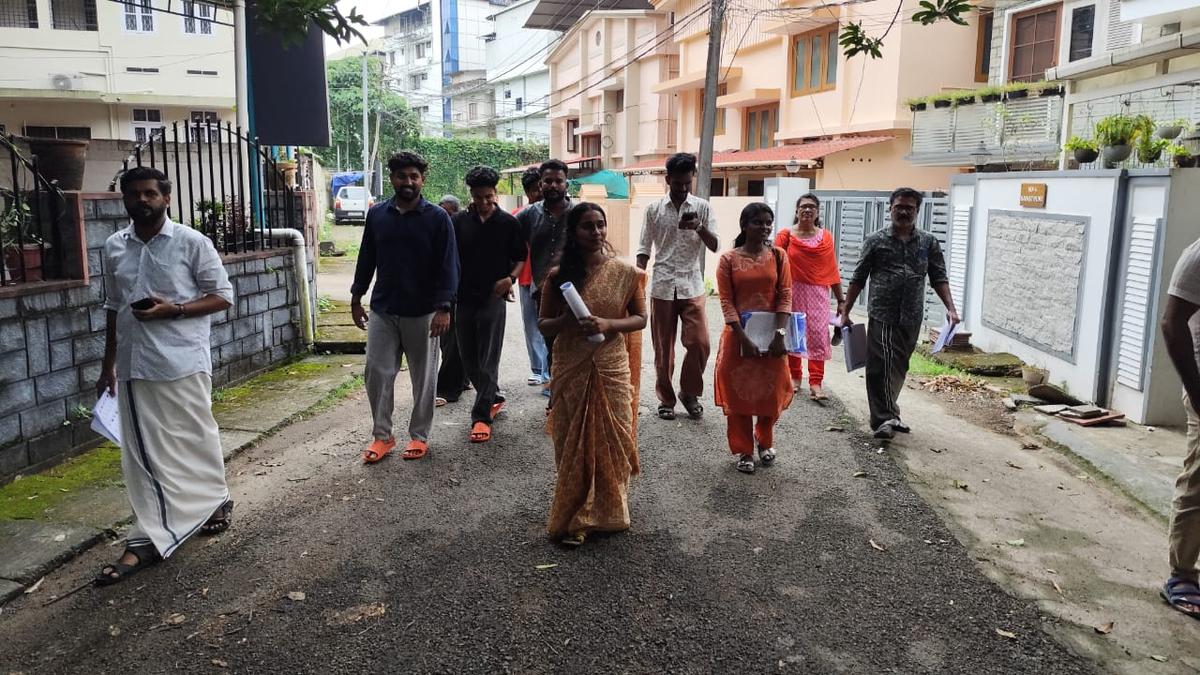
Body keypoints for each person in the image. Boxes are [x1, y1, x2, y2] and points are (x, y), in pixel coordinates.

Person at [94, 166, 235, 585]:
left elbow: (222, 297)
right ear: (125, 199)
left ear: (166, 198)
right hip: (135, 366)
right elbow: (112, 309)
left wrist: (172, 309)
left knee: (195, 436)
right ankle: (150, 532)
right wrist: (108, 366)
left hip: (182, 360)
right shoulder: (113, 247)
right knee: (143, 454)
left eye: (150, 193)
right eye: (134, 194)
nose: (142, 200)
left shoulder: (192, 243)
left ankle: (214, 500)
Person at [539, 202, 646, 547]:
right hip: (571, 362)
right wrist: (565, 322)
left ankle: (608, 511)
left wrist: (609, 323)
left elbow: (640, 319)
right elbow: (543, 323)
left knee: (613, 436)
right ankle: (577, 517)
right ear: (574, 232)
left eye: (601, 225)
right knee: (572, 439)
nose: (597, 232)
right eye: (588, 226)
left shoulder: (626, 273)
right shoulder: (558, 277)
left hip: (612, 363)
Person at [352, 151, 459, 462]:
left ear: (422, 180)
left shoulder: (438, 218)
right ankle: (382, 436)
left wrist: (444, 308)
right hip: (384, 308)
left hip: (425, 311)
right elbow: (366, 257)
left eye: (414, 176)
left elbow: (449, 266)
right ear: (392, 179)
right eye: (402, 176)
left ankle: (419, 436)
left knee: (423, 378)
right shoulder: (377, 215)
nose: (408, 182)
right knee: (376, 372)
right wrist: (357, 296)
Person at [838, 187, 958, 440]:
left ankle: (891, 412)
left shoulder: (928, 242)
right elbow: (858, 277)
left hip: (912, 315)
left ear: (917, 210)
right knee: (879, 365)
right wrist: (845, 311)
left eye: (909, 208)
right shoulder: (875, 240)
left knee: (898, 366)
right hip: (882, 312)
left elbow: (939, 277)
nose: (903, 212)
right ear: (890, 208)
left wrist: (951, 308)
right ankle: (882, 419)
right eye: (899, 207)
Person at [636, 152, 718, 421]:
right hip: (661, 285)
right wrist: (637, 282)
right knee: (663, 347)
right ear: (668, 179)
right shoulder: (653, 209)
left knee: (700, 343)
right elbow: (644, 247)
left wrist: (699, 227)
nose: (683, 189)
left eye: (687, 183)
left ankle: (689, 393)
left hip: (692, 283)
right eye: (678, 184)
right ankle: (666, 398)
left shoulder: (703, 207)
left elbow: (715, 245)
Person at [714, 203, 793, 474]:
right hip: (738, 339)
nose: (764, 227)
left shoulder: (779, 256)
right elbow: (726, 302)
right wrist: (743, 338)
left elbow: (785, 295)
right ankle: (744, 450)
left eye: (768, 222)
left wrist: (779, 334)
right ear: (745, 225)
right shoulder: (727, 260)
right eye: (758, 222)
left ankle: (764, 440)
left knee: (770, 394)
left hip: (773, 338)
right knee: (739, 396)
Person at [453, 166, 526, 443]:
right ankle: (493, 395)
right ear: (470, 194)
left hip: (493, 299)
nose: (483, 202)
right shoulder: (458, 221)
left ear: (496, 193)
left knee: (488, 358)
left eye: (488, 196)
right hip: (463, 298)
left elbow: (521, 257)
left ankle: (481, 417)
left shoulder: (508, 223)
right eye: (477, 196)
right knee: (468, 357)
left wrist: (510, 279)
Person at [1159, 237, 1200, 618]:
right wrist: (1197, 392)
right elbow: (1172, 324)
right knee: (1199, 480)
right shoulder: (1198, 255)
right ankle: (1182, 573)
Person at [773, 193, 844, 400]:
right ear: (796, 211)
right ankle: (794, 377)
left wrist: (841, 300)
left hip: (819, 292)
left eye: (812, 207)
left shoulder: (826, 237)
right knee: (794, 331)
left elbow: (832, 269)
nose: (807, 210)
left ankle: (816, 382)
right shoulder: (786, 235)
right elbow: (775, 266)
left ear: (817, 212)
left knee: (818, 335)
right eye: (803, 207)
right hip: (791, 290)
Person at [517, 159, 572, 393]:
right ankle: (555, 392)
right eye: (548, 181)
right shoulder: (528, 215)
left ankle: (571, 392)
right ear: (540, 184)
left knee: (573, 341)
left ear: (566, 183)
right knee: (550, 342)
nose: (553, 185)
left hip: (575, 289)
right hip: (543, 291)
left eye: (558, 181)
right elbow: (506, 240)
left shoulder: (579, 212)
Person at [514, 167, 551, 389]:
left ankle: (549, 371)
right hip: (526, 277)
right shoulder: (522, 215)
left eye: (542, 186)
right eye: (536, 189)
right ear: (528, 192)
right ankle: (538, 369)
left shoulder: (555, 213)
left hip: (548, 280)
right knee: (531, 325)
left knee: (549, 324)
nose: (541, 192)